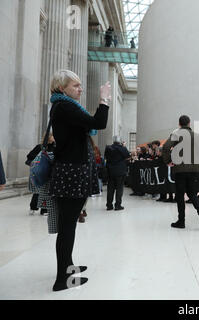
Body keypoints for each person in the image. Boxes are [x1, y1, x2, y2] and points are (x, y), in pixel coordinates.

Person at [48, 69, 110, 291]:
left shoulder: (63, 106)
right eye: (75, 86)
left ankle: (68, 267)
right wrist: (104, 99)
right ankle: (62, 279)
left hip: (71, 170)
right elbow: (99, 122)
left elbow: (88, 125)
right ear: (62, 87)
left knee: (69, 224)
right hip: (71, 172)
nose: (80, 89)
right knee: (67, 227)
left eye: (80, 85)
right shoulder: (65, 106)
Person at [162, 115, 199, 229]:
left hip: (180, 169)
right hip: (193, 169)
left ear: (179, 124)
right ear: (189, 123)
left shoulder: (176, 134)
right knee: (192, 193)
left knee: (179, 195)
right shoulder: (196, 136)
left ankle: (181, 221)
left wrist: (168, 161)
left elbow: (166, 147)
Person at [26, 133, 56, 216]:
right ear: (49, 137)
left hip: (49, 173)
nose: (55, 138)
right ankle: (33, 207)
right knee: (37, 191)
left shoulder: (55, 147)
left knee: (46, 192)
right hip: (40, 172)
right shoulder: (40, 147)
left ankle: (44, 210)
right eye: (53, 136)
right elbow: (29, 157)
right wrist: (34, 163)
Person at [104, 136, 130, 211]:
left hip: (110, 171)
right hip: (120, 171)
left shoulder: (108, 148)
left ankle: (109, 205)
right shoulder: (122, 148)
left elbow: (106, 157)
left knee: (110, 189)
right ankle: (118, 205)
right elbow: (128, 157)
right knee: (119, 189)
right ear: (120, 141)